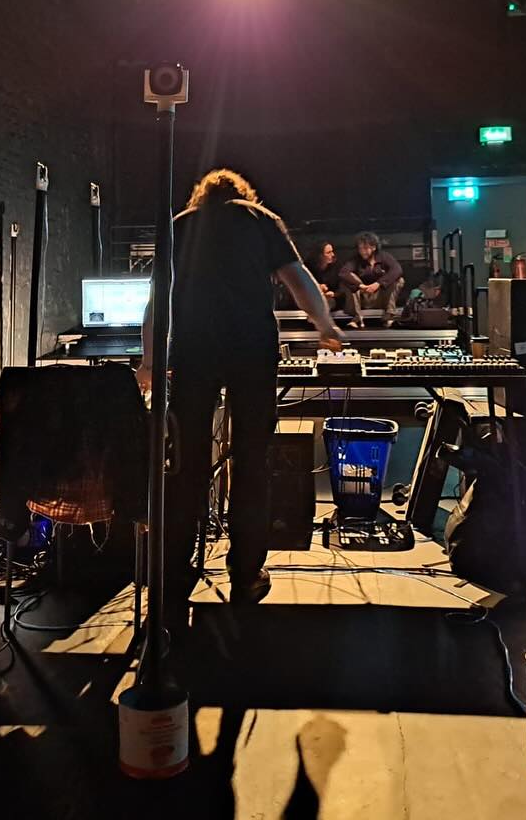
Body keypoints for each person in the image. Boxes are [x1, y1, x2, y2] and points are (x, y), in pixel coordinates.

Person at [138, 170, 344, 609]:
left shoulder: (181, 224)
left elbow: (157, 298)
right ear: (242, 194)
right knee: (252, 461)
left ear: (203, 196)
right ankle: (246, 574)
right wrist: (324, 324)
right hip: (252, 352)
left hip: (193, 352)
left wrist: (149, 361)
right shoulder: (260, 219)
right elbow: (299, 277)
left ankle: (176, 570)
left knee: (187, 463)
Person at [338, 231, 404, 327]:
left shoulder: (384, 256)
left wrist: (378, 283)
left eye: (365, 248)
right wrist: (361, 285)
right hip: (363, 297)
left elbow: (397, 269)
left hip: (380, 296)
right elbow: (343, 273)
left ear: (374, 247)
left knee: (399, 280)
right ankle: (357, 317)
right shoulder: (355, 259)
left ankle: (389, 315)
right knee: (347, 281)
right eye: (360, 248)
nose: (362, 251)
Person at [308, 240, 341, 309]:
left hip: (331, 299)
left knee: (327, 303)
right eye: (328, 253)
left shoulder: (336, 267)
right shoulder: (309, 267)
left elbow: (342, 289)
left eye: (332, 251)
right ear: (320, 255)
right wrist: (318, 287)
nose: (333, 255)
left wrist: (334, 294)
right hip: (312, 298)